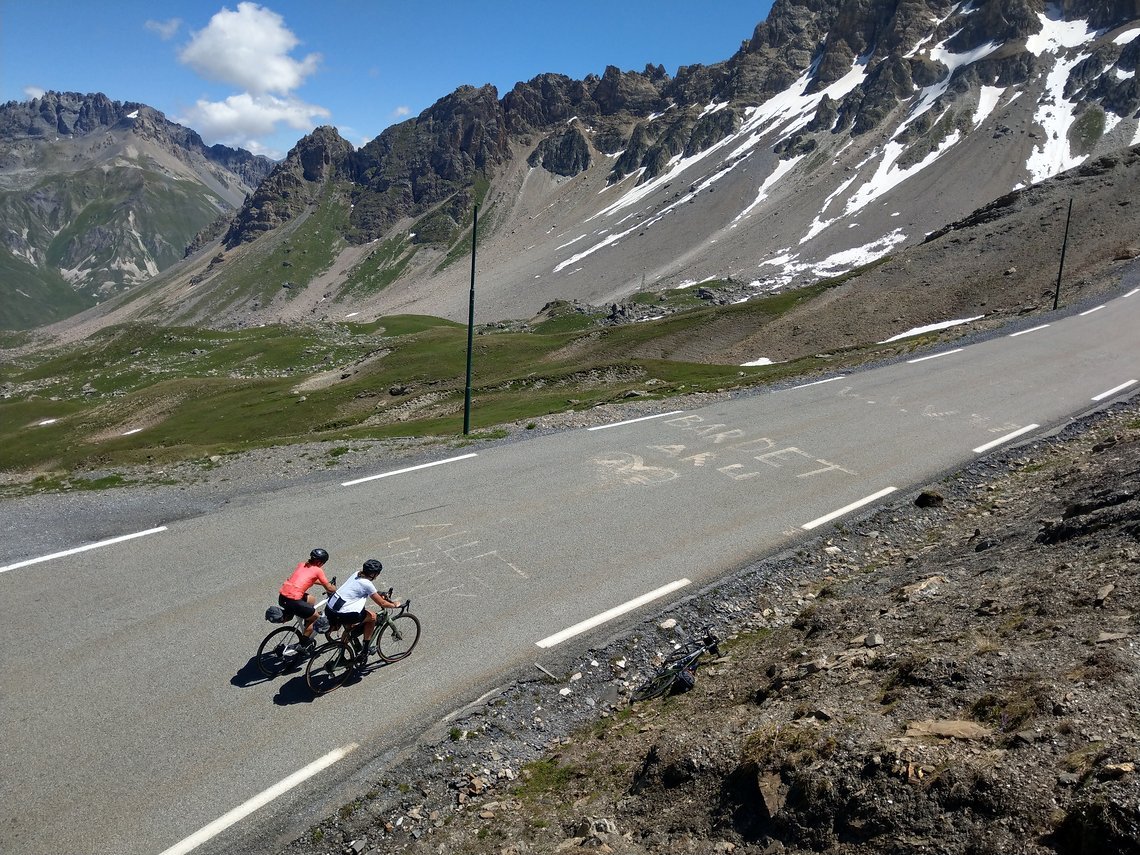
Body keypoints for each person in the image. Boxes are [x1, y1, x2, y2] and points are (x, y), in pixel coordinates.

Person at [325, 558, 399, 660]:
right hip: (343, 613)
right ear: (374, 574)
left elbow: (362, 590)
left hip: (330, 608)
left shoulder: (356, 574)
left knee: (349, 627)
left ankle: (340, 656)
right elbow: (382, 603)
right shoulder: (367, 584)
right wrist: (395, 605)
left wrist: (379, 593)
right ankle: (365, 650)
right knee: (372, 617)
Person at [279, 548, 338, 650]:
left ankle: (306, 620)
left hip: (282, 597)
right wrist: (334, 588)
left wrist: (325, 583)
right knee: (315, 618)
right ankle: (302, 644)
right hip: (294, 601)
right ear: (320, 562)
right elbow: (329, 588)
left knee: (311, 599)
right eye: (323, 563)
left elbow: (309, 579)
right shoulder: (318, 570)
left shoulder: (302, 564)